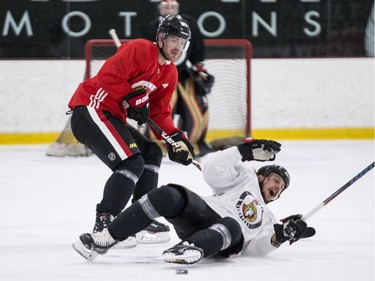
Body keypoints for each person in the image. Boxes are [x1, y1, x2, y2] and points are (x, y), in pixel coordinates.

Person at [72, 138, 316, 264]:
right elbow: (211, 169)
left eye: (281, 187)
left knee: (232, 225)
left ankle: (190, 248)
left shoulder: (270, 219)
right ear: (261, 176)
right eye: (274, 180)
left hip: (225, 238)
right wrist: (243, 152)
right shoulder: (244, 176)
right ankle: (107, 238)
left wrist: (279, 236)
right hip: (204, 212)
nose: (276, 187)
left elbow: (255, 250)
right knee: (168, 193)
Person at [67, 15, 195, 247]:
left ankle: (139, 219)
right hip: (91, 109)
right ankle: (106, 222)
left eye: (182, 41)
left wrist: (175, 138)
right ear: (161, 37)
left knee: (152, 154)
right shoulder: (139, 49)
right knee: (131, 162)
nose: (177, 47)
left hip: (111, 117)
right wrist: (130, 96)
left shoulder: (169, 73)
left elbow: (159, 114)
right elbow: (108, 77)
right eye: (174, 39)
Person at [142, 0, 215, 157]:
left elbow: (197, 51)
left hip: (183, 75)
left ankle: (194, 142)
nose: (170, 10)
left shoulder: (190, 24)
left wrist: (200, 69)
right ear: (160, 9)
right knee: (160, 107)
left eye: (173, 7)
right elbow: (146, 53)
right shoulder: (151, 27)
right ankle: (156, 143)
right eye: (166, 7)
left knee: (194, 107)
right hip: (160, 76)